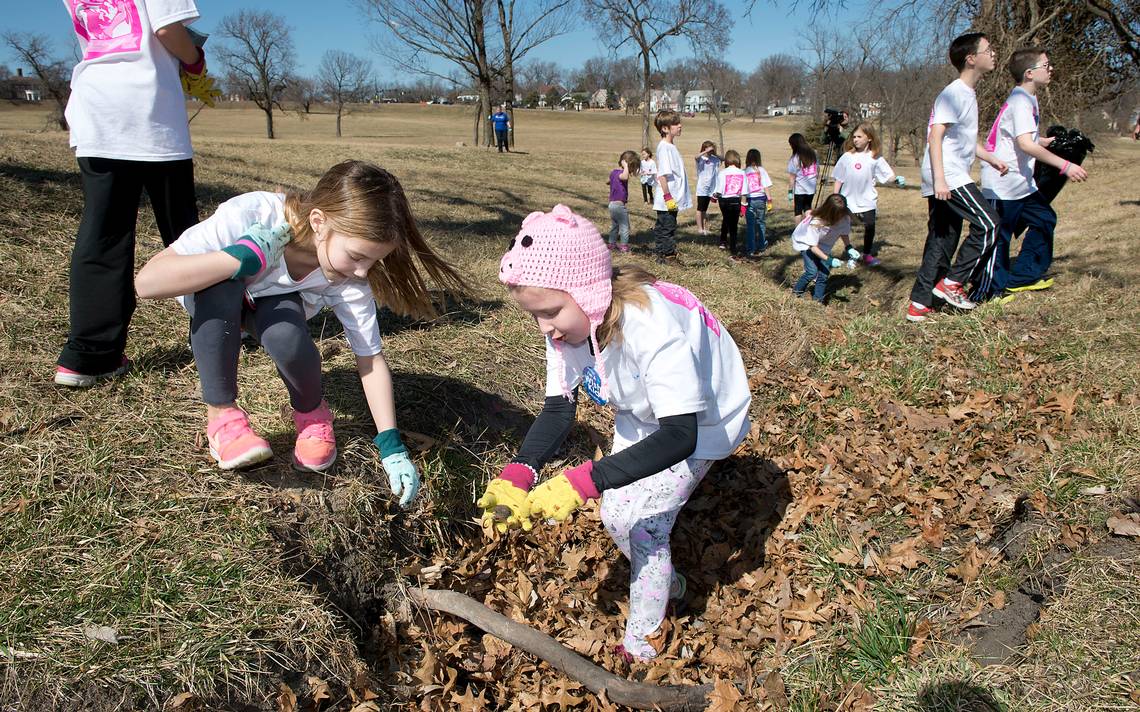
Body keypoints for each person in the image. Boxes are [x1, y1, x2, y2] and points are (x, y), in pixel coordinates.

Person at [477, 205, 751, 662]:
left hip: (702, 421)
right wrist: (519, 473)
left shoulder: (649, 323)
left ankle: (643, 641)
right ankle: (667, 581)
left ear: (586, 293)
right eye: (534, 317)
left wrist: (582, 480)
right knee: (615, 516)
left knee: (644, 529)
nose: (545, 329)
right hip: (644, 412)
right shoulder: (568, 326)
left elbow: (679, 435)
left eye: (550, 313)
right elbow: (559, 408)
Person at [133, 161, 469, 506]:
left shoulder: (349, 278)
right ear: (319, 222)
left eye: (372, 262)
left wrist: (391, 445)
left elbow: (369, 358)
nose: (362, 271)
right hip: (217, 301)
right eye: (356, 256)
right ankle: (223, 418)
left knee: (285, 334)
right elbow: (146, 283)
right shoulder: (251, 215)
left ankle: (312, 416)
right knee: (220, 291)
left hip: (274, 308)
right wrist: (237, 259)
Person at [54, 0, 210, 388]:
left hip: (96, 111)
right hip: (148, 114)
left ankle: (88, 357)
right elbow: (167, 30)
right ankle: (224, 324)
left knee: (103, 234)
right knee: (187, 234)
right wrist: (194, 60)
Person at [973, 48, 1089, 303]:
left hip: (1022, 185)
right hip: (1002, 184)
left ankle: (1023, 276)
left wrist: (1046, 141)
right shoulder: (1020, 102)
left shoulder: (1029, 98)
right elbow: (1025, 145)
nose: (1050, 70)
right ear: (1029, 73)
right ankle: (988, 290)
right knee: (999, 238)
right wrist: (1066, 165)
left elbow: (1024, 138)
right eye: (1045, 66)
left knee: (1044, 219)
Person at [907, 32, 1008, 323]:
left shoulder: (967, 94)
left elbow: (962, 140)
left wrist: (991, 158)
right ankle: (953, 283)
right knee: (989, 223)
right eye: (988, 49)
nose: (993, 54)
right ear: (971, 58)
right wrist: (940, 180)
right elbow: (935, 135)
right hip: (947, 174)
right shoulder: (955, 92)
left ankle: (919, 303)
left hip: (947, 172)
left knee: (942, 240)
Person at [831, 123, 900, 267]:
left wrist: (897, 179)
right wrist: (835, 197)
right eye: (854, 137)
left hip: (867, 199)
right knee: (842, 227)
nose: (855, 139)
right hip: (847, 199)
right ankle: (849, 250)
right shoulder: (847, 157)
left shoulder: (875, 157)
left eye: (859, 137)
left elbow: (888, 176)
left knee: (870, 224)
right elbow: (839, 179)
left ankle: (867, 255)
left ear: (869, 138)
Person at [791, 194, 855, 303]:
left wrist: (849, 247)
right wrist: (829, 260)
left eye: (842, 214)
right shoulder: (816, 222)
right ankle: (796, 294)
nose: (841, 217)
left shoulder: (844, 216)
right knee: (811, 272)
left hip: (823, 245)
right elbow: (813, 248)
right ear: (830, 213)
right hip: (806, 243)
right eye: (838, 215)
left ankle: (817, 301)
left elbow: (843, 232)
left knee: (824, 274)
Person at [651, 110, 691, 263]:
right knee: (668, 228)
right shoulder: (664, 148)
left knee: (664, 226)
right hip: (668, 199)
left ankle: (661, 254)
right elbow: (662, 175)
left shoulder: (670, 146)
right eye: (675, 124)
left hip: (672, 197)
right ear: (665, 128)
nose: (680, 125)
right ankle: (667, 256)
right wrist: (668, 197)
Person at [712, 150, 747, 256]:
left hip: (724, 201)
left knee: (726, 219)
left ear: (726, 160)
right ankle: (733, 247)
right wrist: (744, 206)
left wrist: (714, 196)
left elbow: (719, 189)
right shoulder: (742, 173)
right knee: (734, 224)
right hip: (736, 200)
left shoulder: (722, 173)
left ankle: (723, 241)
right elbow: (744, 191)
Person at [608, 150, 641, 253]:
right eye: (633, 167)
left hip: (612, 205)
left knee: (615, 226)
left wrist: (610, 182)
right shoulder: (622, 174)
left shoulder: (614, 172)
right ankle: (624, 246)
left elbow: (609, 181)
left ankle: (612, 243)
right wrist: (625, 166)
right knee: (625, 226)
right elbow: (625, 177)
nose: (632, 170)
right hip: (619, 206)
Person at [743, 148, 774, 256]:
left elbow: (743, 190)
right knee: (761, 222)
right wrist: (769, 200)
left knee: (750, 225)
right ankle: (761, 245)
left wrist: (742, 204)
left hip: (750, 201)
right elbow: (766, 187)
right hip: (761, 200)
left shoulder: (745, 171)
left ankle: (751, 248)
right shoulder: (762, 170)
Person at [786, 133, 818, 217]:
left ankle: (798, 229)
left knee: (798, 210)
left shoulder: (795, 158)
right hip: (811, 188)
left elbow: (792, 177)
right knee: (807, 207)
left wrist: (790, 191)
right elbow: (817, 169)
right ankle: (808, 227)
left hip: (800, 189)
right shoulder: (813, 154)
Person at [694, 141, 721, 236]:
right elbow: (696, 157)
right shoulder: (701, 158)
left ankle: (704, 228)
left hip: (711, 188)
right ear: (704, 148)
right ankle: (699, 229)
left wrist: (714, 153)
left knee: (705, 209)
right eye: (708, 148)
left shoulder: (715, 159)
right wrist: (704, 152)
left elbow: (724, 159)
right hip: (702, 187)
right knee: (700, 209)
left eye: (711, 149)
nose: (710, 151)